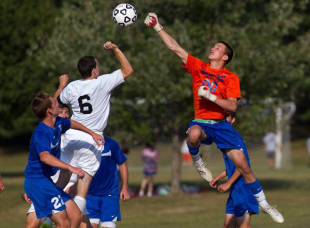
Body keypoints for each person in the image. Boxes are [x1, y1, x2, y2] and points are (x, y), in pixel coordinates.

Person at [144, 13, 283, 223]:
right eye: (214, 46)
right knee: (192, 134)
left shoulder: (230, 77)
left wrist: (211, 97)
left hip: (221, 125)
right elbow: (175, 48)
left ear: (225, 57)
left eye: (218, 47)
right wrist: (157, 27)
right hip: (202, 122)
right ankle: (198, 161)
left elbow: (232, 105)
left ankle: (264, 204)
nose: (213, 48)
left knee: (243, 166)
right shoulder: (199, 67)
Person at [54, 41, 134, 215]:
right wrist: (116, 49)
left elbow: (55, 103)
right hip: (91, 140)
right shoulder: (102, 82)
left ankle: (45, 218)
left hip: (70, 136)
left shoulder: (72, 87)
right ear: (94, 71)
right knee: (82, 188)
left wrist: (61, 84)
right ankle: (73, 223)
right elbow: (128, 70)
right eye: (98, 66)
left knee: (62, 181)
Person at [24, 92, 104, 228]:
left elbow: (72, 123)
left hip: (45, 182)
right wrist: (69, 167)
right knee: (63, 223)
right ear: (49, 110)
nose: (57, 103)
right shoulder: (41, 133)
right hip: (38, 182)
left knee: (76, 216)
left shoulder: (58, 123)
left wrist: (92, 133)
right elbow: (44, 156)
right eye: (55, 103)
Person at [210, 115, 258, 228]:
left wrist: (228, 183)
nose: (223, 119)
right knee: (228, 225)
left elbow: (244, 164)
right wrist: (220, 176)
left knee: (243, 226)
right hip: (235, 191)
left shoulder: (234, 138)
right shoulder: (226, 138)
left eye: (226, 117)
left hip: (243, 189)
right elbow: (235, 165)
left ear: (233, 119)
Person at [79, 137, 130, 228]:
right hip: (89, 195)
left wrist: (125, 187)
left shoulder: (111, 144)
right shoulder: (84, 144)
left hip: (110, 195)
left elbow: (122, 165)